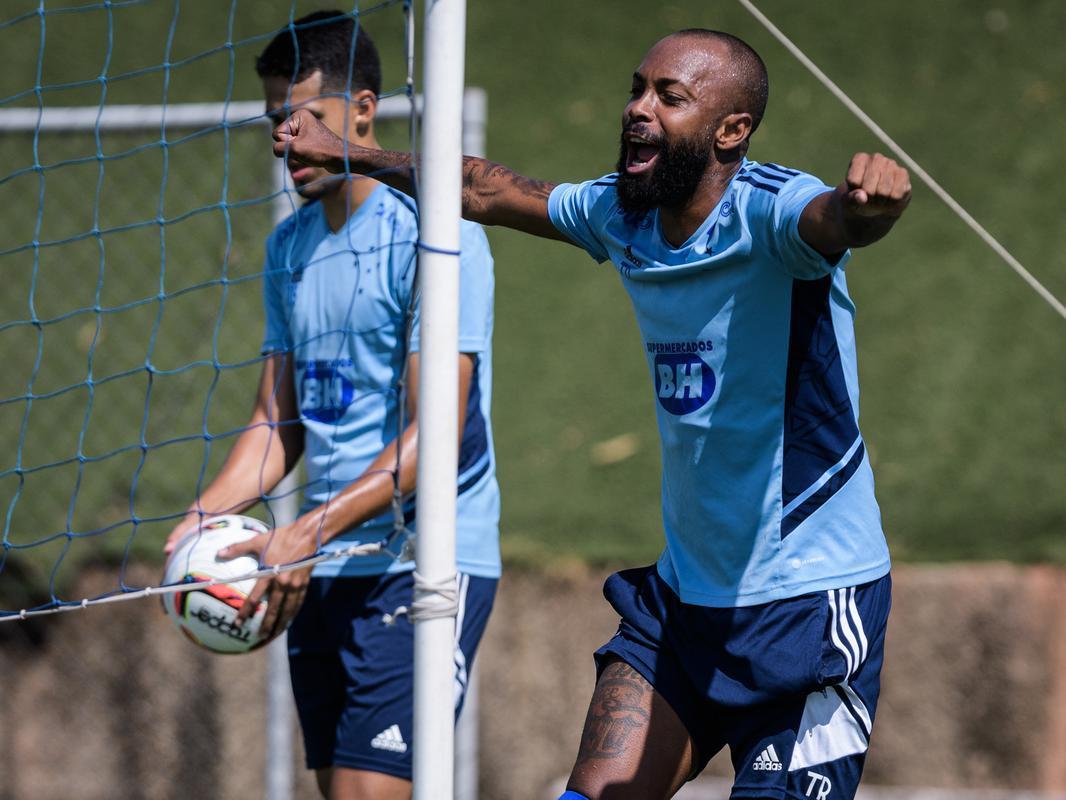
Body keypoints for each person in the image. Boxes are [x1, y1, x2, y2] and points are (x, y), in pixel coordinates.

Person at [272, 25, 910, 800]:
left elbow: (834, 223)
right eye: (637, 89)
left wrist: (869, 209)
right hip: (684, 603)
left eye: (670, 97)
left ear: (731, 130)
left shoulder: (772, 212)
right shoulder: (622, 214)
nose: (639, 108)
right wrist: (354, 154)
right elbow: (482, 191)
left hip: (808, 606)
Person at [163, 11, 500, 800]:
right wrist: (203, 516)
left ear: (363, 110)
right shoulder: (290, 246)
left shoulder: (434, 236)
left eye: (304, 118)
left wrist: (308, 531)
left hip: (420, 562)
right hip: (317, 565)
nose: (285, 140)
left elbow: (437, 435)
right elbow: (275, 424)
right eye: (275, 121)